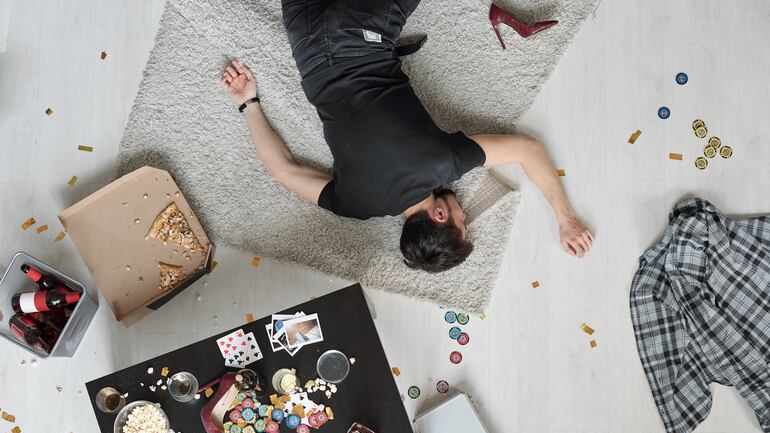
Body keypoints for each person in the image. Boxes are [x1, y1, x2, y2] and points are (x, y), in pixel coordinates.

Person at [219, 0, 594, 272]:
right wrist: (247, 102)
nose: (467, 212)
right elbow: (282, 171)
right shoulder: (355, 204)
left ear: (440, 214)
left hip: (361, 30)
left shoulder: (442, 164)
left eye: (463, 222)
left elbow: (527, 150)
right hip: (306, 41)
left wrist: (566, 218)